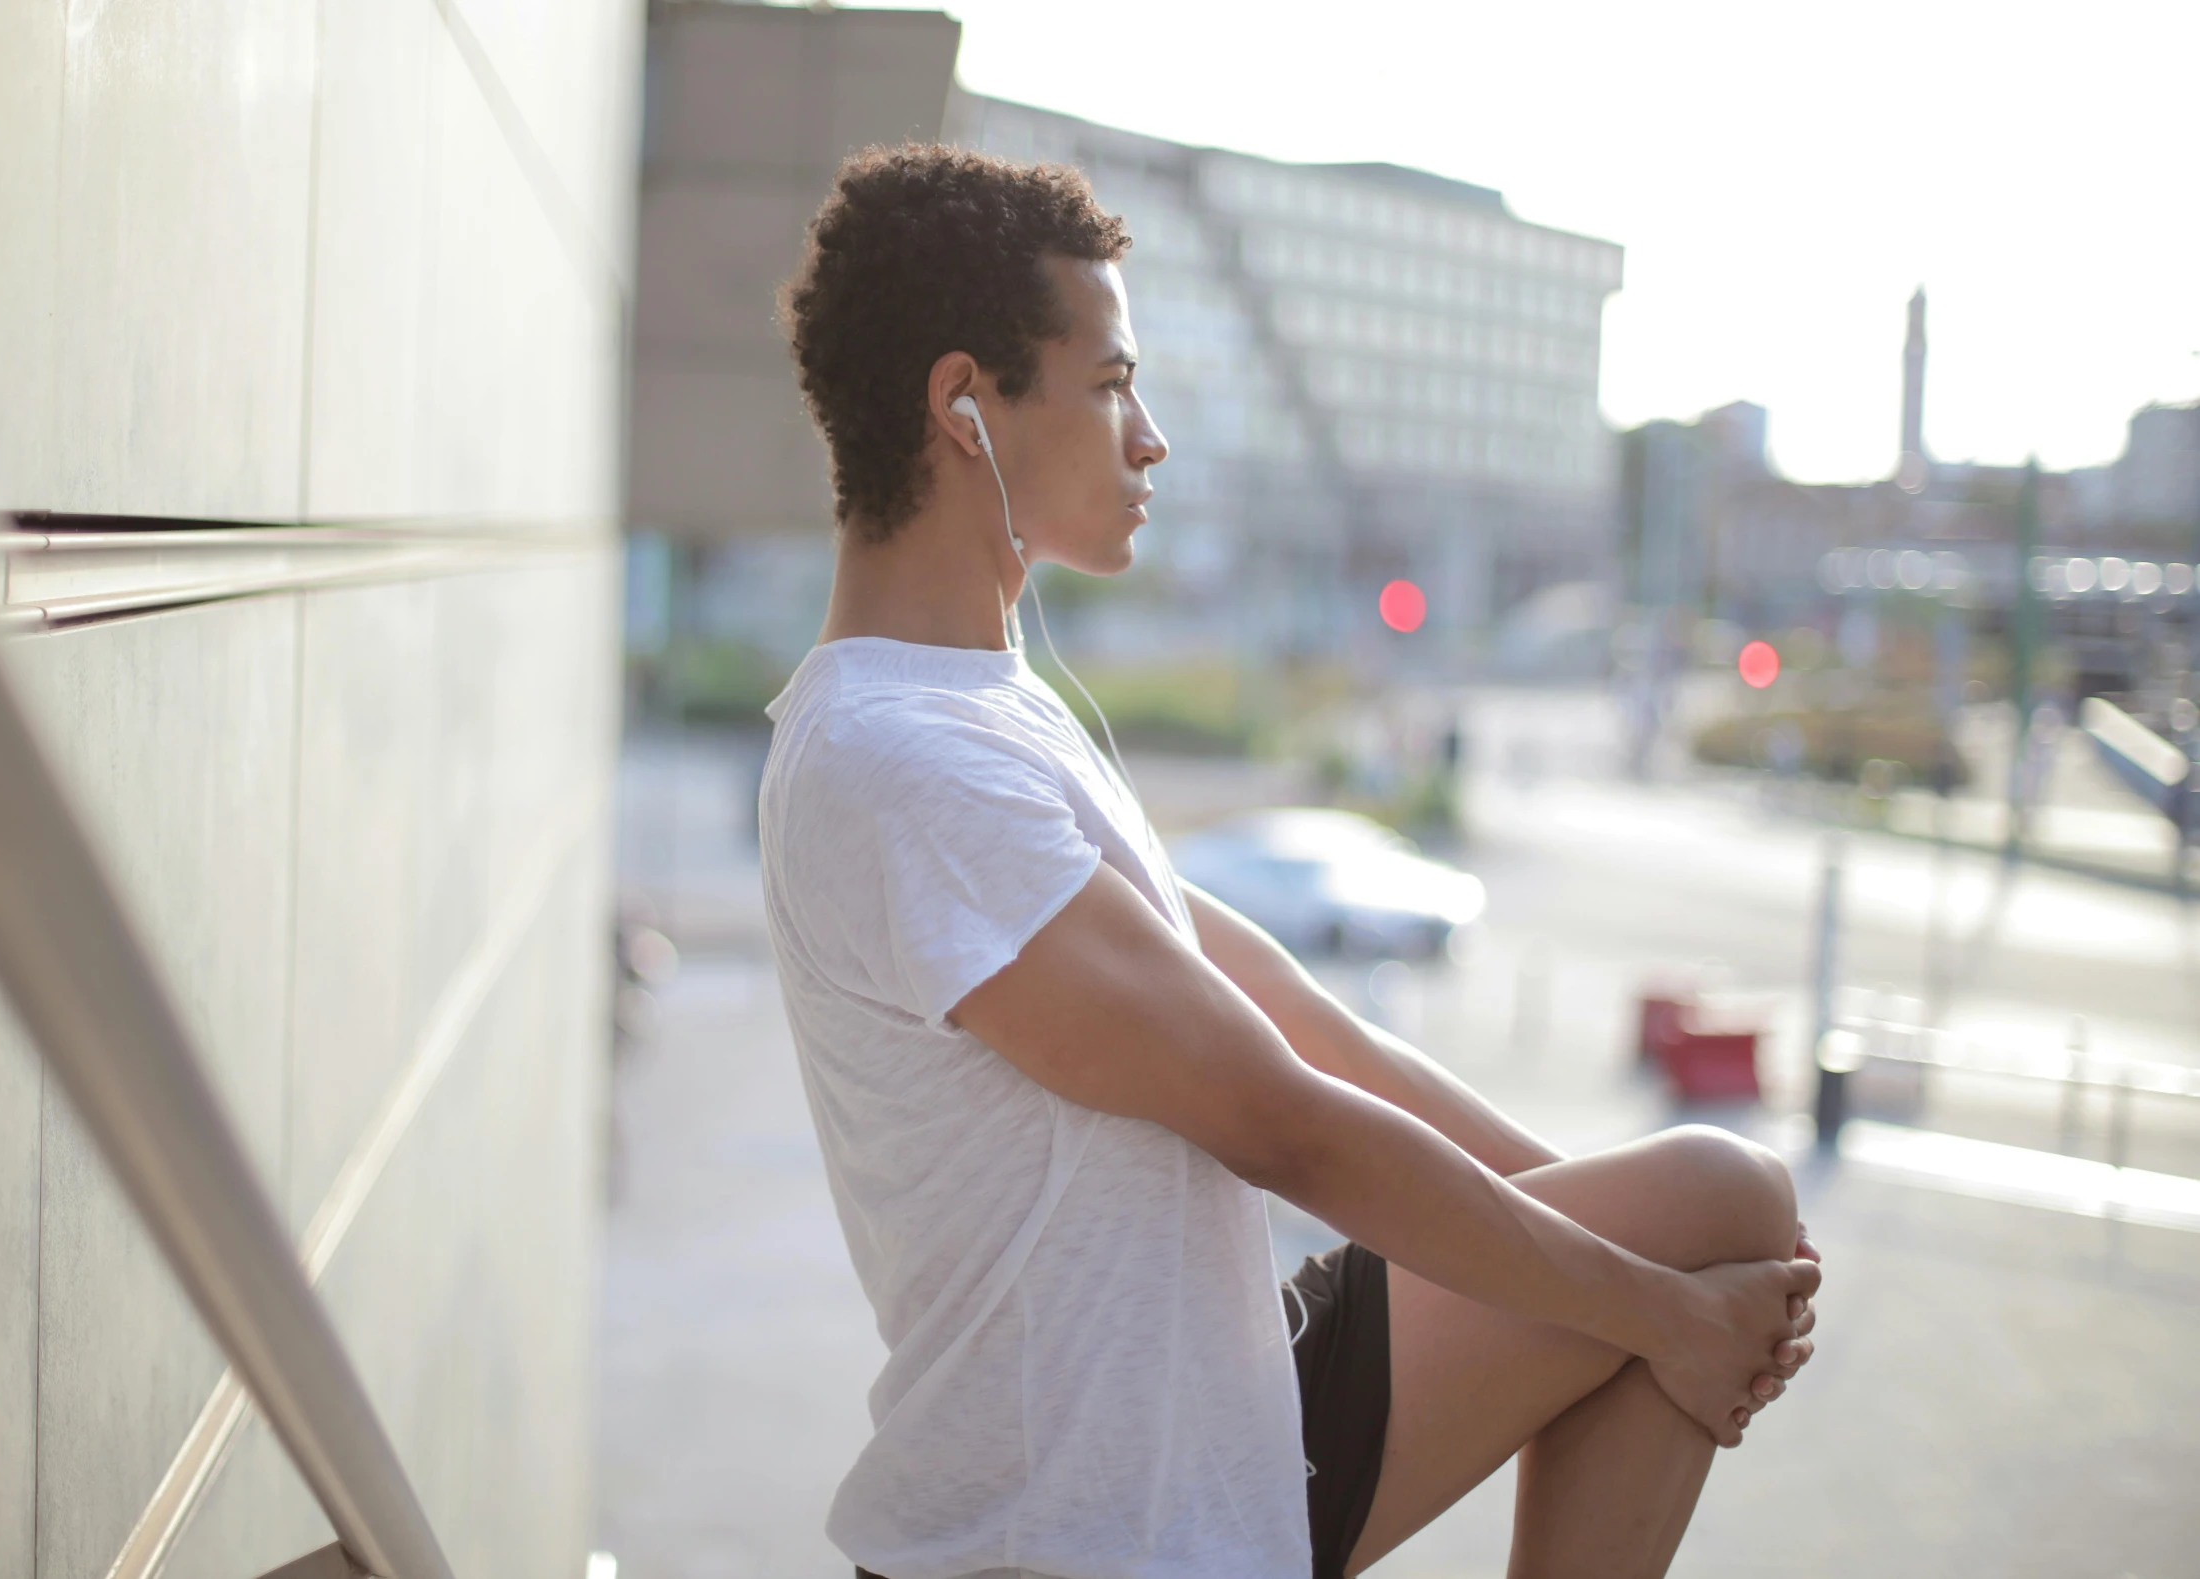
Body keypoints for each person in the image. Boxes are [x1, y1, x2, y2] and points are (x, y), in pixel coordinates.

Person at [758, 145, 1820, 1579]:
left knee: (1719, 1200)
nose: (1151, 436)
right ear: (967, 409)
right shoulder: (903, 761)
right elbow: (1282, 1122)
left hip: (1221, 1413)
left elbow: (1309, 1026)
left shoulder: (981, 710)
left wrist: (1591, 1220)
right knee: (1691, 1245)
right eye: (1114, 381)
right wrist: (1644, 1309)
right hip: (1092, 1522)